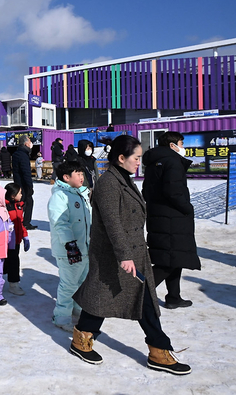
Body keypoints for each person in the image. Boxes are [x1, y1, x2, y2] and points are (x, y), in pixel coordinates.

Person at [71, 135, 191, 375]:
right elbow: (112, 223)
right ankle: (158, 349)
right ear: (121, 158)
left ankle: (82, 337)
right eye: (136, 158)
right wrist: (125, 255)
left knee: (109, 298)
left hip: (131, 250)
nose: (139, 162)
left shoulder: (123, 178)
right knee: (131, 299)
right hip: (116, 255)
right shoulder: (109, 184)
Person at [142, 131, 200, 309]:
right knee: (166, 262)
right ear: (172, 145)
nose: (183, 148)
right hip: (172, 218)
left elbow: (148, 190)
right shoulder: (172, 162)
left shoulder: (155, 162)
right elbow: (173, 192)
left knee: (175, 258)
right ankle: (138, 295)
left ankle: (173, 296)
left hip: (160, 216)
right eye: (181, 144)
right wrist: (187, 208)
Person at [47, 161, 91, 332]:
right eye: (77, 173)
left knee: (82, 282)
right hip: (69, 250)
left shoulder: (81, 194)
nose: (81, 177)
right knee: (69, 284)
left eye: (82, 173)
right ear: (66, 178)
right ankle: (61, 316)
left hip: (85, 247)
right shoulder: (60, 196)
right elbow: (60, 224)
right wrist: (71, 246)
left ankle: (79, 310)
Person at [4, 183, 30, 296]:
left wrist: (25, 236)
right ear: (13, 195)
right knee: (3, 262)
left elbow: (21, 223)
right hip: (6, 241)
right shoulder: (4, 207)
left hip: (16, 241)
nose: (21, 194)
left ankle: (13, 284)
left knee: (14, 261)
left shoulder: (19, 205)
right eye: (19, 193)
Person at [12, 134, 36, 230]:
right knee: (27, 202)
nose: (31, 143)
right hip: (23, 184)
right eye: (30, 141)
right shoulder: (22, 155)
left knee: (23, 202)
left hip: (18, 182)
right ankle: (24, 222)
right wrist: (29, 186)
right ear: (26, 143)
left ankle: (21, 221)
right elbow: (26, 171)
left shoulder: (18, 153)